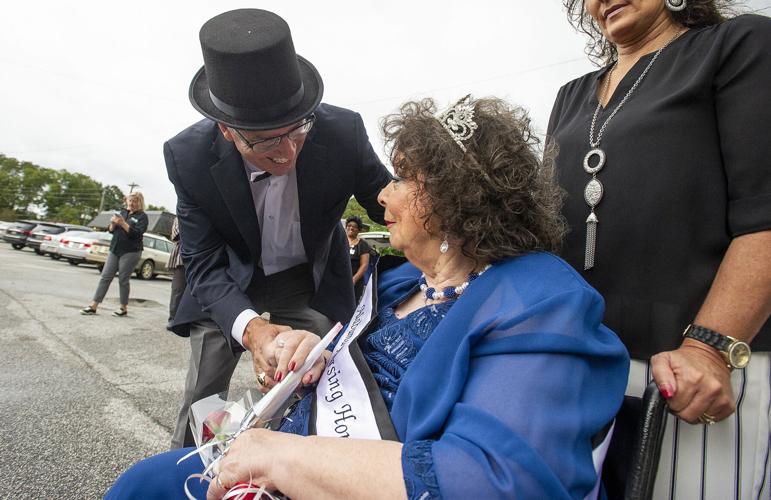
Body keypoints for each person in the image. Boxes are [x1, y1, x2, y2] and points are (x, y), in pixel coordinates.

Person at [107, 96, 629, 499]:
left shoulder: (540, 298)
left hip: (337, 478)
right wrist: (314, 352)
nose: (380, 193)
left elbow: (493, 481)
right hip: (284, 454)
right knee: (147, 480)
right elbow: (359, 360)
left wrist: (279, 456)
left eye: (402, 178)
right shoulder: (403, 281)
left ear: (454, 197)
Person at [548, 1, 771, 498]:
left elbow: (764, 217)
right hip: (582, 373)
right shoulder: (570, 96)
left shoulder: (739, 46)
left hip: (696, 378)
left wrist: (709, 348)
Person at [164, 9, 392, 449]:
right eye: (266, 140)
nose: (288, 152)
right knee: (205, 393)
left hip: (305, 281)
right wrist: (252, 331)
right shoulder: (186, 157)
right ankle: (192, 470)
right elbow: (203, 263)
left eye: (298, 130)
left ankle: (294, 467)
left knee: (319, 379)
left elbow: (388, 205)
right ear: (227, 130)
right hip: (229, 280)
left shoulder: (344, 132)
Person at [80, 192, 148, 317]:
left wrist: (123, 223)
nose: (132, 203)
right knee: (105, 277)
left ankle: (123, 308)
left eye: (135, 201)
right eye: (130, 200)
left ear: (140, 202)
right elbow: (111, 230)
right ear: (127, 201)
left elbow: (137, 234)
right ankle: (93, 305)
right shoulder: (122, 213)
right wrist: (112, 223)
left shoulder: (142, 217)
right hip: (115, 249)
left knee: (123, 279)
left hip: (131, 251)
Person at [345, 215, 372, 301]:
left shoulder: (363, 244)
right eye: (349, 226)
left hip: (355, 282)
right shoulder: (340, 241)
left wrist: (354, 279)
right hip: (339, 279)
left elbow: (364, 265)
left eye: (355, 226)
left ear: (359, 230)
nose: (351, 228)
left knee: (351, 305)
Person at [167, 216, 185, 327]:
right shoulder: (179, 216)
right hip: (182, 258)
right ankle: (173, 319)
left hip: (203, 256)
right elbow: (176, 235)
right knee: (178, 289)